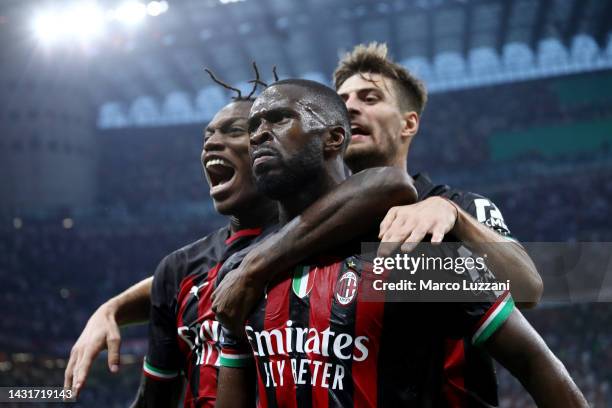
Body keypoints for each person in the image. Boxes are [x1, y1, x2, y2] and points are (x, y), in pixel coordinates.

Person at [65, 43, 543, 404]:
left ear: (408, 124)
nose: (352, 105)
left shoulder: (452, 205)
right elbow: (199, 273)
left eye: (370, 97)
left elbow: (532, 288)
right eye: (342, 98)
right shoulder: (297, 230)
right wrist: (111, 307)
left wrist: (453, 217)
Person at [215, 78, 586, 408]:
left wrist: (451, 214)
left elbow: (535, 361)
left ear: (334, 137)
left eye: (278, 119)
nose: (259, 135)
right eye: (253, 127)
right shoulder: (242, 272)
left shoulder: (414, 248)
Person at [66, 92, 417, 406]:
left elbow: (391, 186)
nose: (212, 144)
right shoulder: (202, 275)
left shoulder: (388, 246)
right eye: (209, 135)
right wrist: (111, 308)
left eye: (237, 132)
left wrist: (454, 216)